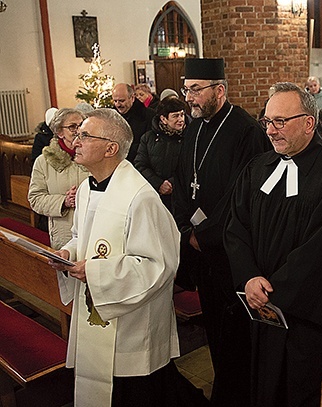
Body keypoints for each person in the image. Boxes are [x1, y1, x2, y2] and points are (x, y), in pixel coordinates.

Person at [224, 82, 322, 407]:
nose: (272, 131)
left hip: (310, 322)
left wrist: (273, 291)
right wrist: (249, 277)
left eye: (281, 122)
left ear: (309, 122)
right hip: (263, 310)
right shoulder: (257, 168)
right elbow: (235, 227)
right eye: (267, 122)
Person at [48, 108, 207, 407]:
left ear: (111, 148)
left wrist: (94, 272)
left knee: (138, 393)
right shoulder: (85, 188)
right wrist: (68, 252)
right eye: (76, 133)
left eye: (84, 135)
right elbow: (85, 236)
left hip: (133, 322)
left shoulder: (140, 197)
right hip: (97, 309)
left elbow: (159, 265)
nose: (75, 141)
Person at [172, 58, 270, 407]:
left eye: (196, 90)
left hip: (231, 251)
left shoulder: (245, 130)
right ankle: (225, 390)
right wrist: (185, 226)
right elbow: (184, 180)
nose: (190, 98)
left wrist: (205, 235)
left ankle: (240, 395)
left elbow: (241, 195)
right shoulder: (195, 127)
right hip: (201, 248)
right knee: (214, 327)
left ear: (220, 90)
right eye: (187, 89)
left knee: (237, 334)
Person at [28, 108, 89, 249]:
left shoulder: (93, 157)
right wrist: (64, 201)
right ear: (59, 132)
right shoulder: (44, 162)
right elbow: (35, 198)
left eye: (81, 125)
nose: (78, 130)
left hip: (93, 228)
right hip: (64, 232)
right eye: (72, 127)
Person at [134, 97, 189, 213]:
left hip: (182, 198)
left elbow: (191, 165)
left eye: (182, 115)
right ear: (163, 119)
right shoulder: (148, 138)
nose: (181, 119)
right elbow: (140, 164)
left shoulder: (190, 137)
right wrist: (158, 184)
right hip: (154, 197)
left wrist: (172, 184)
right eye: (175, 116)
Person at [112, 83, 155, 162]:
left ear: (132, 98)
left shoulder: (148, 116)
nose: (118, 104)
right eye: (115, 101)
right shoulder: (111, 117)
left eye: (121, 101)